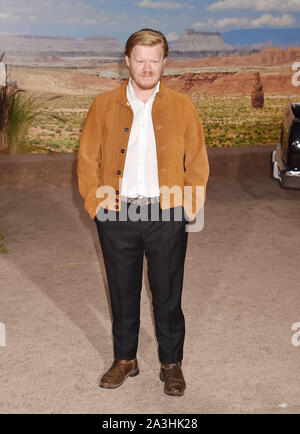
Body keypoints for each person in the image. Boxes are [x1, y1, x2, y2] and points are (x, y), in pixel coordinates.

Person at [77, 28, 209, 396]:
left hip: (166, 214)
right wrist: (96, 204)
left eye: (154, 60)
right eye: (140, 59)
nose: (147, 67)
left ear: (164, 63)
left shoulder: (182, 105)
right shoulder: (103, 105)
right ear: (127, 62)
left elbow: (197, 162)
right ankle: (125, 359)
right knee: (122, 290)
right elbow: (87, 159)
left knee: (167, 293)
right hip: (116, 213)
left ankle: (171, 364)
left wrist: (187, 207)